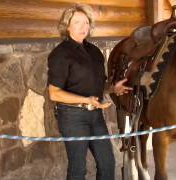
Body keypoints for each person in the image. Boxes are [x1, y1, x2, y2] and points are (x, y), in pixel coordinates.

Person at [47, 4, 132, 180]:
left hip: (95, 115)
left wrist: (113, 88)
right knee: (78, 169)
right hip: (72, 117)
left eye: (86, 23)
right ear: (67, 25)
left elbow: (97, 85)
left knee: (107, 163)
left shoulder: (94, 51)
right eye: (77, 22)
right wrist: (86, 100)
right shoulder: (60, 54)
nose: (83, 27)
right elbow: (54, 93)